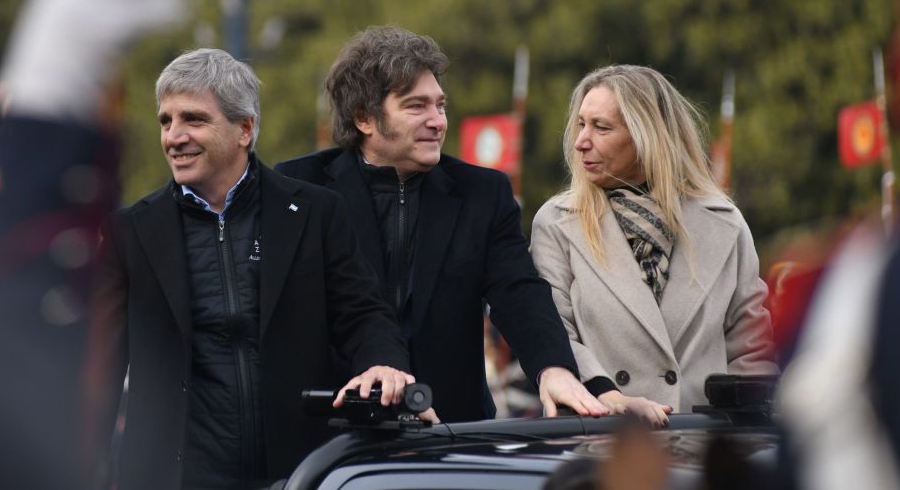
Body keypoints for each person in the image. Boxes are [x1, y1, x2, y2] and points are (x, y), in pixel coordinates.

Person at [87, 48, 415, 489]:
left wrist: (383, 363)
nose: (173, 136)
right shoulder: (130, 232)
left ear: (245, 128)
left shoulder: (315, 213)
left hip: (300, 472)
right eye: (166, 121)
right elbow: (99, 369)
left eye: (193, 119)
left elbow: (362, 313)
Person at [275, 25, 608, 423]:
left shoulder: (482, 193)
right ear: (364, 118)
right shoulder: (298, 188)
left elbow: (517, 291)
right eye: (417, 107)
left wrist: (552, 368)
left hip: (453, 433)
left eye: (441, 105)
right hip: (330, 429)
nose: (437, 121)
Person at [530, 65, 777, 423]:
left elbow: (752, 351)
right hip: (603, 445)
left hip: (704, 453)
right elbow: (554, 336)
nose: (581, 140)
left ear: (648, 136)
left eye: (601, 127)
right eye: (581, 124)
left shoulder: (724, 224)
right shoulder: (556, 223)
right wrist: (605, 396)